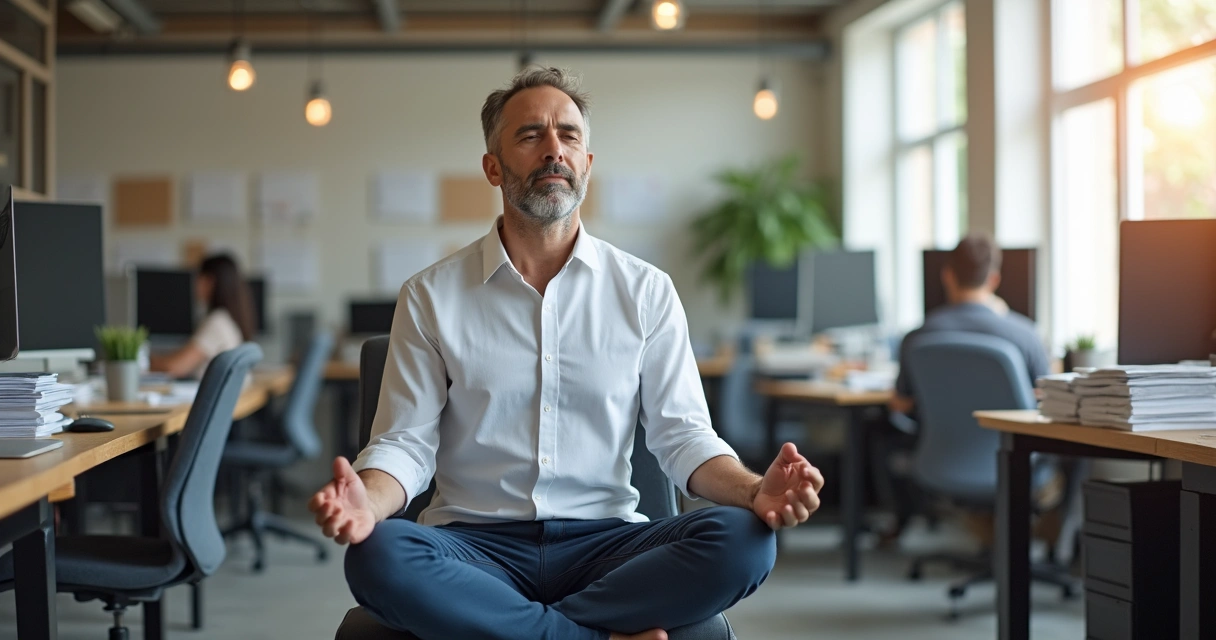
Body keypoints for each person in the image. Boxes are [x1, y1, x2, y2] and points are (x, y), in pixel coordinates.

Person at [308, 67, 824, 640]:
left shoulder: (646, 290)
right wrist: (367, 502)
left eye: (570, 136)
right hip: (476, 547)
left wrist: (755, 491)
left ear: (586, 164)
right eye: (530, 135)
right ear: (493, 167)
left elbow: (684, 438)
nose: (554, 149)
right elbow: (405, 444)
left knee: (745, 539)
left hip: (609, 546)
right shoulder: (430, 295)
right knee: (377, 554)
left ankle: (527, 633)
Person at [874, 233, 1049, 543]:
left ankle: (899, 526)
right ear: (994, 279)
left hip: (941, 460)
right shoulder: (1026, 335)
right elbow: (1048, 402)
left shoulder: (917, 337)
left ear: (947, 276)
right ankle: (1060, 553)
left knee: (879, 433)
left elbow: (899, 404)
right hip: (1012, 461)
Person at [149, 253, 253, 379]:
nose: (194, 285)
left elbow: (174, 367)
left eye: (198, 278)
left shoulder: (218, 322)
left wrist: (144, 360)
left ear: (209, 281)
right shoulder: (228, 319)